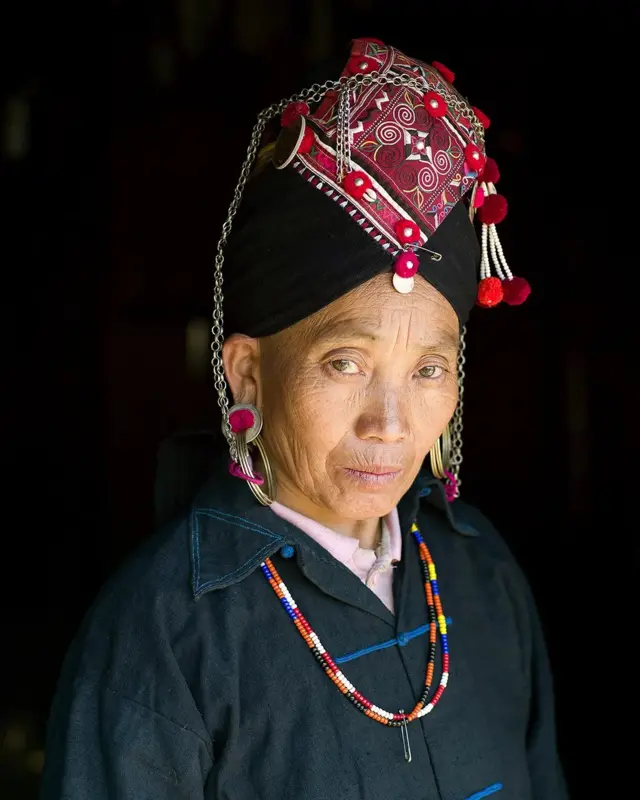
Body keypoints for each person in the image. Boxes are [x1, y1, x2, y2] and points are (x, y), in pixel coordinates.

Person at [40, 38, 567, 800]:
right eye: (345, 364)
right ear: (248, 370)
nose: (389, 424)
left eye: (428, 371)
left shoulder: (480, 574)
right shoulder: (162, 636)